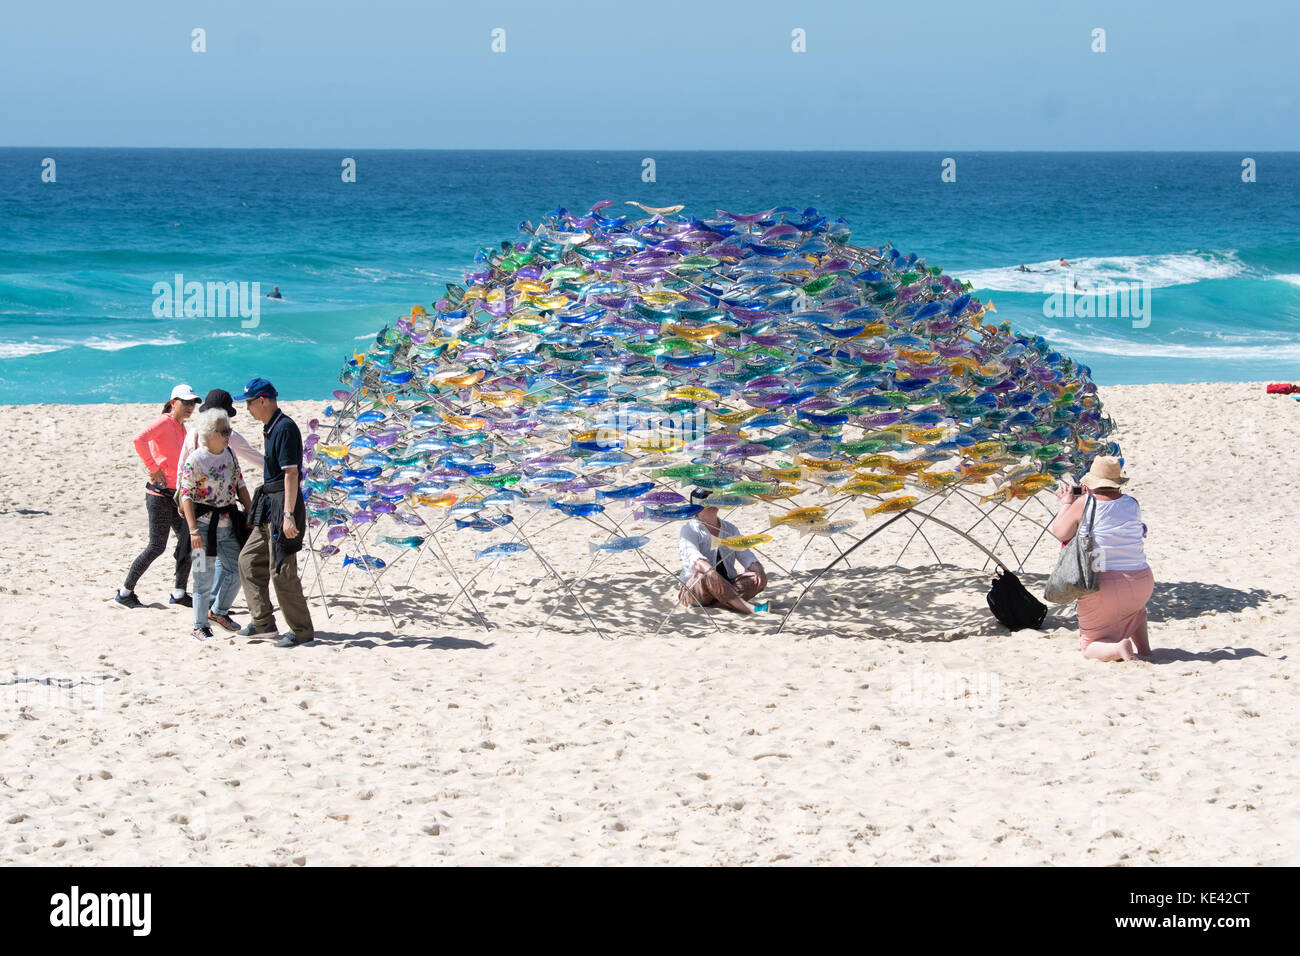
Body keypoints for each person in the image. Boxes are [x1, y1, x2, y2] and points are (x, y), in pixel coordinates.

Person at [176, 389, 264, 630]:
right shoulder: (196, 459)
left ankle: (219, 611)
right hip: (202, 527)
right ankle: (199, 625)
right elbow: (185, 492)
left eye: (229, 431)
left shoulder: (229, 454)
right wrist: (192, 530)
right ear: (210, 433)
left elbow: (241, 485)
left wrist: (251, 514)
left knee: (237, 568)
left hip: (227, 524)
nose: (228, 435)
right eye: (224, 432)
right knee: (202, 577)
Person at [1051, 456, 1153, 661]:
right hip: (1142, 579)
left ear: (1090, 483)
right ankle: (1145, 650)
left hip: (1102, 581)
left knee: (1089, 645)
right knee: (1135, 611)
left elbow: (1060, 532)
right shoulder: (1132, 503)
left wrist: (1066, 504)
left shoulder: (1085, 502)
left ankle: (1119, 648)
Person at [236, 378, 314, 647]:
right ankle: (263, 623)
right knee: (248, 560)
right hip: (269, 503)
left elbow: (292, 473)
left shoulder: (285, 428)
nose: (247, 409)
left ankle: (302, 631)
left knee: (281, 570)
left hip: (284, 505)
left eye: (248, 403)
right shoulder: (270, 428)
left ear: (262, 400)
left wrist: (289, 514)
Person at [115, 384, 201, 609]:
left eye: (193, 403)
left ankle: (179, 593)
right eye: (186, 403)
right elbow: (139, 440)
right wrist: (153, 468)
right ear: (173, 403)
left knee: (187, 543)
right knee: (156, 546)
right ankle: (125, 592)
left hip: (176, 496)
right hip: (159, 495)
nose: (190, 407)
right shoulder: (165, 421)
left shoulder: (182, 428)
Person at [678, 490, 768, 614]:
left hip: (727, 584)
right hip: (697, 587)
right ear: (696, 505)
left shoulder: (730, 529)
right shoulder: (689, 529)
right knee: (706, 574)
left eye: (714, 498)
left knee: (756, 577)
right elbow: (695, 559)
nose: (711, 502)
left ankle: (720, 604)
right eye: (705, 500)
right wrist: (712, 573)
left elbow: (745, 554)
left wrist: (758, 569)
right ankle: (748, 608)